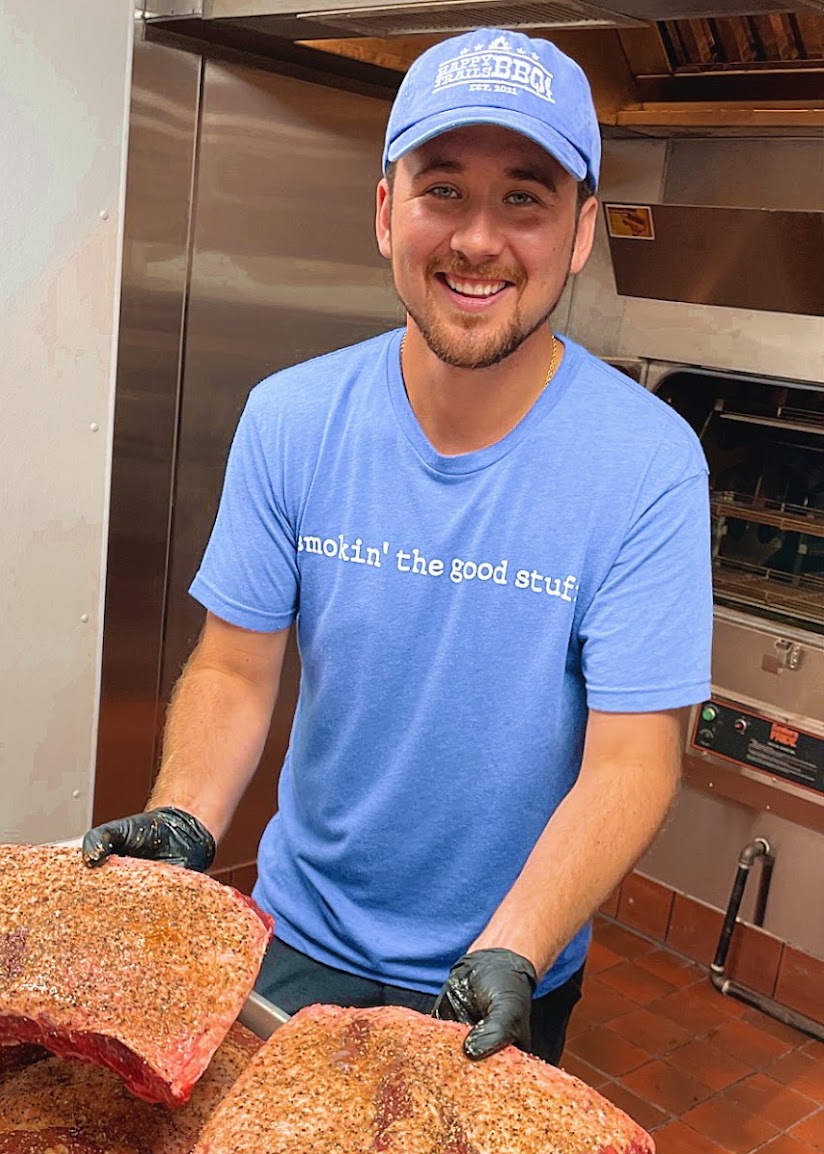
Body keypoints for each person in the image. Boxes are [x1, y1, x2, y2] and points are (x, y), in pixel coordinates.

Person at [83, 28, 712, 1065]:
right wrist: (184, 815)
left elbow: (634, 756)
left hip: (508, 960)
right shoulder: (291, 417)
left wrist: (514, 946)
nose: (479, 239)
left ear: (581, 231)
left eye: (525, 197)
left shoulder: (648, 463)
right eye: (442, 190)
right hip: (296, 936)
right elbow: (234, 669)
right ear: (385, 211)